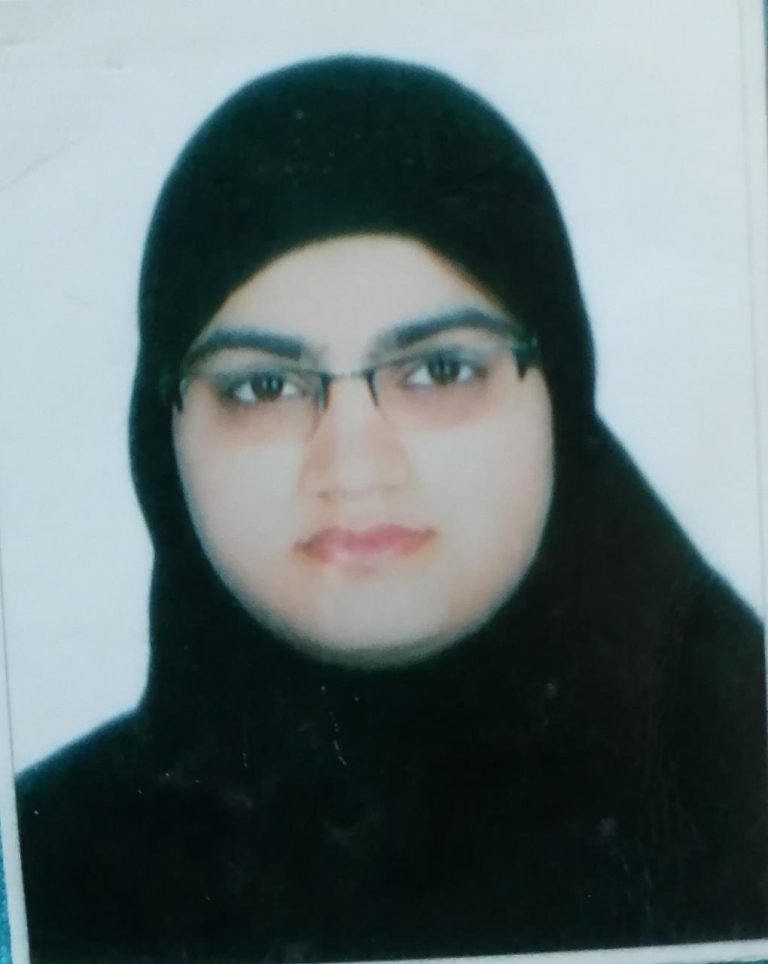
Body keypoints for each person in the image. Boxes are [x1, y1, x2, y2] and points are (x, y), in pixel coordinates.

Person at [16, 55, 767, 964]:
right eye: (263, 387)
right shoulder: (39, 872)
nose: (354, 466)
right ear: (161, 434)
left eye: (439, 371)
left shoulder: (740, 790)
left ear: (560, 399)